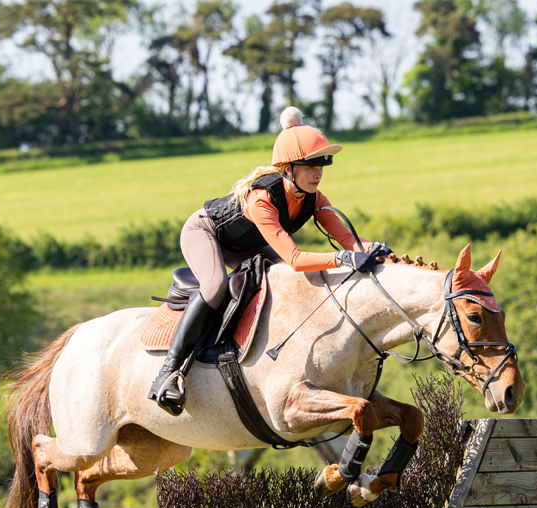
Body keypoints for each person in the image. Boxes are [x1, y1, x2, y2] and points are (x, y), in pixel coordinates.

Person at [149, 106, 383, 416]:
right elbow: (297, 258)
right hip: (205, 233)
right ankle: (169, 372)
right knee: (216, 285)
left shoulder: (315, 198)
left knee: (286, 280)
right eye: (310, 166)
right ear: (287, 168)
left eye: (321, 166)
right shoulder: (262, 199)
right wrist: (342, 258)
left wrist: (376, 250)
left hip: (248, 244)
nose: (318, 173)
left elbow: (349, 240)